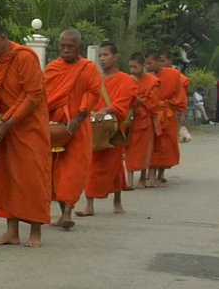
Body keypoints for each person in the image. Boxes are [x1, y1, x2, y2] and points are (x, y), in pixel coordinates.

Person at [0, 21, 52, 248]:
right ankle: (12, 232)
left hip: (29, 126)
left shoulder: (24, 57)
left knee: (32, 177)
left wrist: (10, 121)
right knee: (6, 176)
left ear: (3, 37)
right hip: (5, 124)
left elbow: (33, 96)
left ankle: (35, 231)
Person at [44, 29, 101, 230]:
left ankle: (68, 213)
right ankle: (62, 214)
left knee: (73, 170)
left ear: (80, 48)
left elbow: (93, 94)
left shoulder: (88, 68)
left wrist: (79, 117)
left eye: (71, 46)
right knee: (55, 171)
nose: (66, 50)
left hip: (78, 126)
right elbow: (44, 97)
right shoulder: (52, 68)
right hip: (54, 127)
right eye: (63, 46)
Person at [76, 43, 136, 216]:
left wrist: (106, 110)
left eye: (106, 55)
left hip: (114, 127)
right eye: (100, 55)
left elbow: (125, 100)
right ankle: (89, 204)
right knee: (92, 164)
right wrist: (91, 110)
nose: (102, 58)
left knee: (115, 165)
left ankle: (117, 201)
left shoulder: (125, 80)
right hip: (94, 126)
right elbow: (86, 97)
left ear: (115, 57)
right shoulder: (94, 78)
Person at [144, 52, 188, 187]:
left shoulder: (174, 75)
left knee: (165, 145)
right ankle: (150, 176)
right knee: (151, 144)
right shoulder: (146, 77)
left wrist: (182, 114)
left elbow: (181, 95)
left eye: (150, 63)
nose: (147, 66)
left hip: (167, 115)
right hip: (151, 114)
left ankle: (159, 175)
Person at [125, 53, 160, 189]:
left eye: (135, 67)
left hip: (145, 120)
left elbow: (154, 104)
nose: (132, 70)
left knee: (144, 150)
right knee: (129, 150)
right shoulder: (128, 80)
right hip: (130, 120)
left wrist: (139, 99)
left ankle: (142, 178)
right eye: (130, 67)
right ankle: (129, 180)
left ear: (143, 66)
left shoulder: (152, 82)